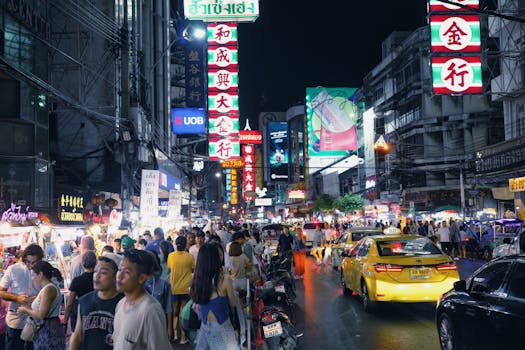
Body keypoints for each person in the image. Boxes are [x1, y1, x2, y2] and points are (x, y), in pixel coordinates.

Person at [112, 249, 171, 349]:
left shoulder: (150, 311)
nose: (119, 276)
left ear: (142, 278)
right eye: (119, 269)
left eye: (127, 272)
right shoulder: (121, 304)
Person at [190, 244, 239, 350]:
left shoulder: (196, 279)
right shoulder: (225, 279)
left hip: (204, 328)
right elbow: (233, 303)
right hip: (223, 329)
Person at [69, 256, 124, 350]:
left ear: (115, 277)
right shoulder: (84, 301)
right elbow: (77, 336)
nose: (96, 276)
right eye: (95, 271)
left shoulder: (123, 303)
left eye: (103, 273)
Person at [0, 243, 44, 350]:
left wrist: (39, 297)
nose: (30, 266)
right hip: (16, 322)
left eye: (34, 263)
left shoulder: (45, 271)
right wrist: (17, 298)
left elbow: (51, 291)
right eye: (28, 262)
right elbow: (1, 292)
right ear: (24, 259)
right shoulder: (13, 269)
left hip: (36, 323)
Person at [17, 261, 65, 350]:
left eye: (33, 275)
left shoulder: (48, 289)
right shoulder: (49, 288)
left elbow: (41, 315)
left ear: (40, 274)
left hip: (48, 331)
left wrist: (25, 309)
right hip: (48, 329)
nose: (32, 278)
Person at [167, 236, 195, 345]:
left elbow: (170, 268)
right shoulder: (190, 257)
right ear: (185, 245)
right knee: (184, 313)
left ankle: (175, 335)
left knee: (175, 313)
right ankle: (183, 337)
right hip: (186, 288)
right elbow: (193, 269)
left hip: (174, 288)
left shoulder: (171, 256)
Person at [63, 251, 96, 332]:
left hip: (81, 314)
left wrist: (65, 320)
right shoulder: (99, 279)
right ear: (96, 262)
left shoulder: (77, 280)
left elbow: (70, 303)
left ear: (82, 263)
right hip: (96, 313)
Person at [144, 251, 173, 341]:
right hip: (142, 325)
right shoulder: (137, 284)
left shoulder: (164, 284)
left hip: (159, 324)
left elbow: (169, 308)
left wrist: (169, 328)